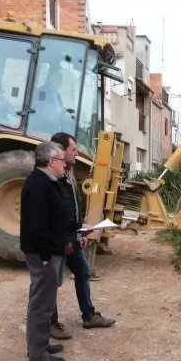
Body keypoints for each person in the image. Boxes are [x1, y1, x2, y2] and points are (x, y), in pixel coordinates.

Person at [48, 131, 116, 339]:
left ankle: (89, 316)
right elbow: (57, 211)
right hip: (59, 239)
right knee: (52, 282)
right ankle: (51, 323)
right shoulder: (52, 177)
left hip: (73, 236)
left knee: (83, 271)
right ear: (60, 151)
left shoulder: (69, 172)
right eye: (73, 149)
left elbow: (73, 205)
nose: (77, 153)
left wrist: (82, 230)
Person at [19, 140, 70, 361]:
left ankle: (40, 344)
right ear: (51, 161)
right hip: (43, 253)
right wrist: (46, 252)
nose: (65, 165)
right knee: (41, 303)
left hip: (49, 250)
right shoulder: (39, 184)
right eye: (62, 160)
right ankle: (38, 353)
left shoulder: (47, 181)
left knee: (44, 300)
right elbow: (37, 224)